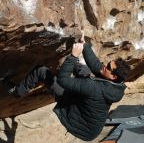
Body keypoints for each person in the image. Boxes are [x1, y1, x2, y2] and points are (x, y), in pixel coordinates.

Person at [1, 39, 131, 141]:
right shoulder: (117, 84)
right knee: (80, 68)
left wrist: (73, 56)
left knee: (41, 71)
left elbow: (64, 80)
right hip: (88, 113)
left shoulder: (94, 88)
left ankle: (17, 92)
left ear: (113, 76)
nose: (105, 65)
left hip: (81, 125)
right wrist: (84, 45)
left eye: (108, 66)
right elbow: (97, 66)